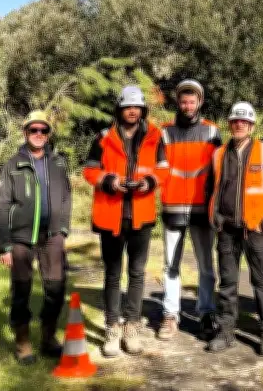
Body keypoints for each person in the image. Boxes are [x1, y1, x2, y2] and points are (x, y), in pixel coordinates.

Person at [83, 85, 169, 357]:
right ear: (119, 110)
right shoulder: (103, 137)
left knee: (137, 274)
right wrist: (110, 181)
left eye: (137, 107)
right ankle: (111, 328)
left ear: (143, 110)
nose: (132, 111)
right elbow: (89, 170)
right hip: (111, 215)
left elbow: (164, 170)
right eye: (127, 107)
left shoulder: (156, 137)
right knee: (112, 274)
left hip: (141, 214)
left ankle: (131, 326)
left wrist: (149, 182)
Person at [205, 101, 263, 357]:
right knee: (227, 283)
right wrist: (215, 217)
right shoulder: (218, 154)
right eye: (235, 121)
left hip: (256, 230)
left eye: (244, 122)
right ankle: (226, 332)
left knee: (262, 284)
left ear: (251, 126)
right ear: (230, 124)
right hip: (227, 230)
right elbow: (211, 189)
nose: (239, 125)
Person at [0, 111, 72, 365]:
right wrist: (4, 245)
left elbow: (67, 197)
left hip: (52, 236)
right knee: (21, 289)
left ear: (49, 134)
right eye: (33, 130)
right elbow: (2, 206)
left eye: (43, 130)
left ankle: (48, 338)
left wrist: (63, 229)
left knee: (56, 288)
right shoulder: (12, 165)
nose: (39, 135)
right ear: (25, 132)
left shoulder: (59, 162)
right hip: (20, 238)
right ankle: (23, 343)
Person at [156, 79, 222, 342]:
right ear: (178, 102)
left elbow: (219, 174)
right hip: (172, 208)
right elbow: (158, 170)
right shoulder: (164, 133)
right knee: (170, 266)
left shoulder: (212, 132)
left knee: (206, 266)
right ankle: (170, 315)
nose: (187, 105)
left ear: (200, 102)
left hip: (202, 211)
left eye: (191, 101)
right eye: (183, 101)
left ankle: (206, 313)